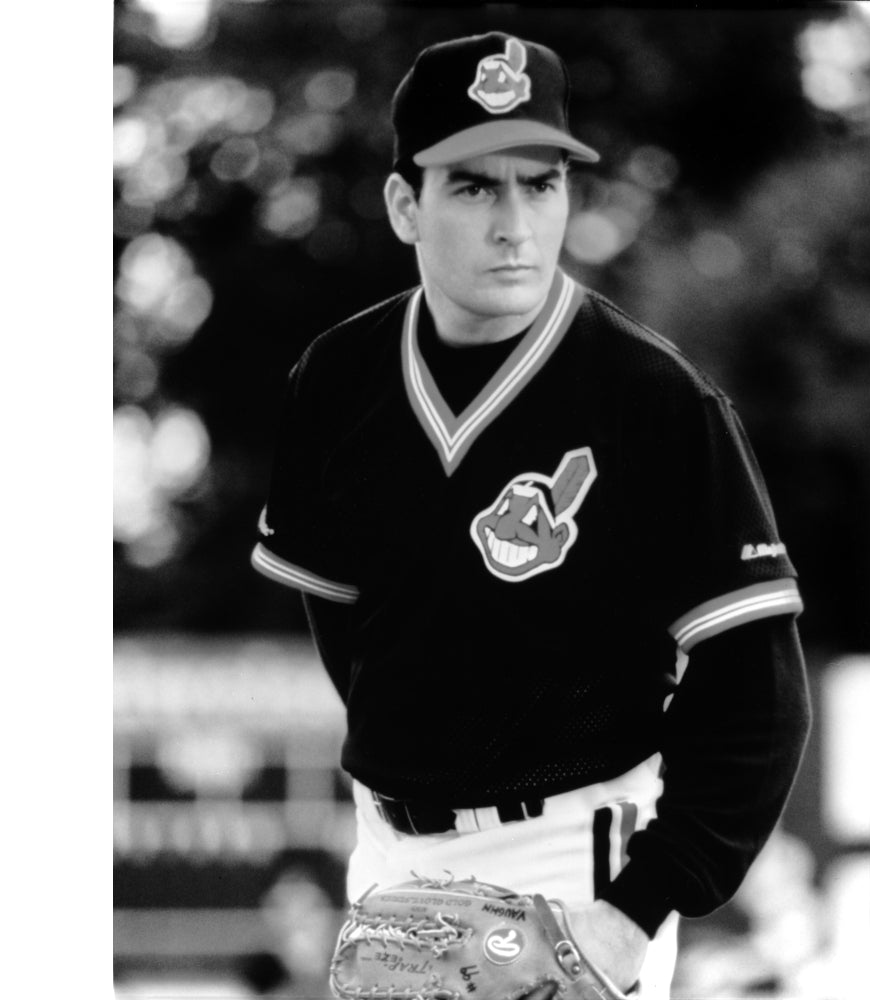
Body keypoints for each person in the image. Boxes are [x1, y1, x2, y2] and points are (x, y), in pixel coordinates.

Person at [251, 31, 811, 996]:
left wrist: (635, 915)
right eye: (474, 187)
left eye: (540, 184)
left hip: (575, 865)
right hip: (388, 854)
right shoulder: (337, 379)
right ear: (403, 206)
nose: (516, 222)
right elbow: (348, 622)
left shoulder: (656, 401)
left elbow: (759, 700)